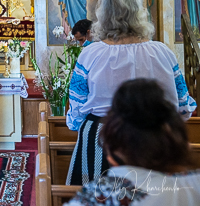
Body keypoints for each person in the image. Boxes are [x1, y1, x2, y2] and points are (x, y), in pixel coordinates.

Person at [66, 0, 196, 186]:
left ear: (103, 13)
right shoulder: (163, 53)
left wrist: (77, 126)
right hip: (155, 142)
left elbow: (77, 108)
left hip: (103, 141)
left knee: (100, 198)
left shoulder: (90, 54)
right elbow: (183, 107)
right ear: (140, 10)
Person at [64, 79, 200, 206]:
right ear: (179, 142)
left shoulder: (97, 196)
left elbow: (77, 106)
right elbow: (186, 106)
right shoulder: (195, 184)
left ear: (111, 149)